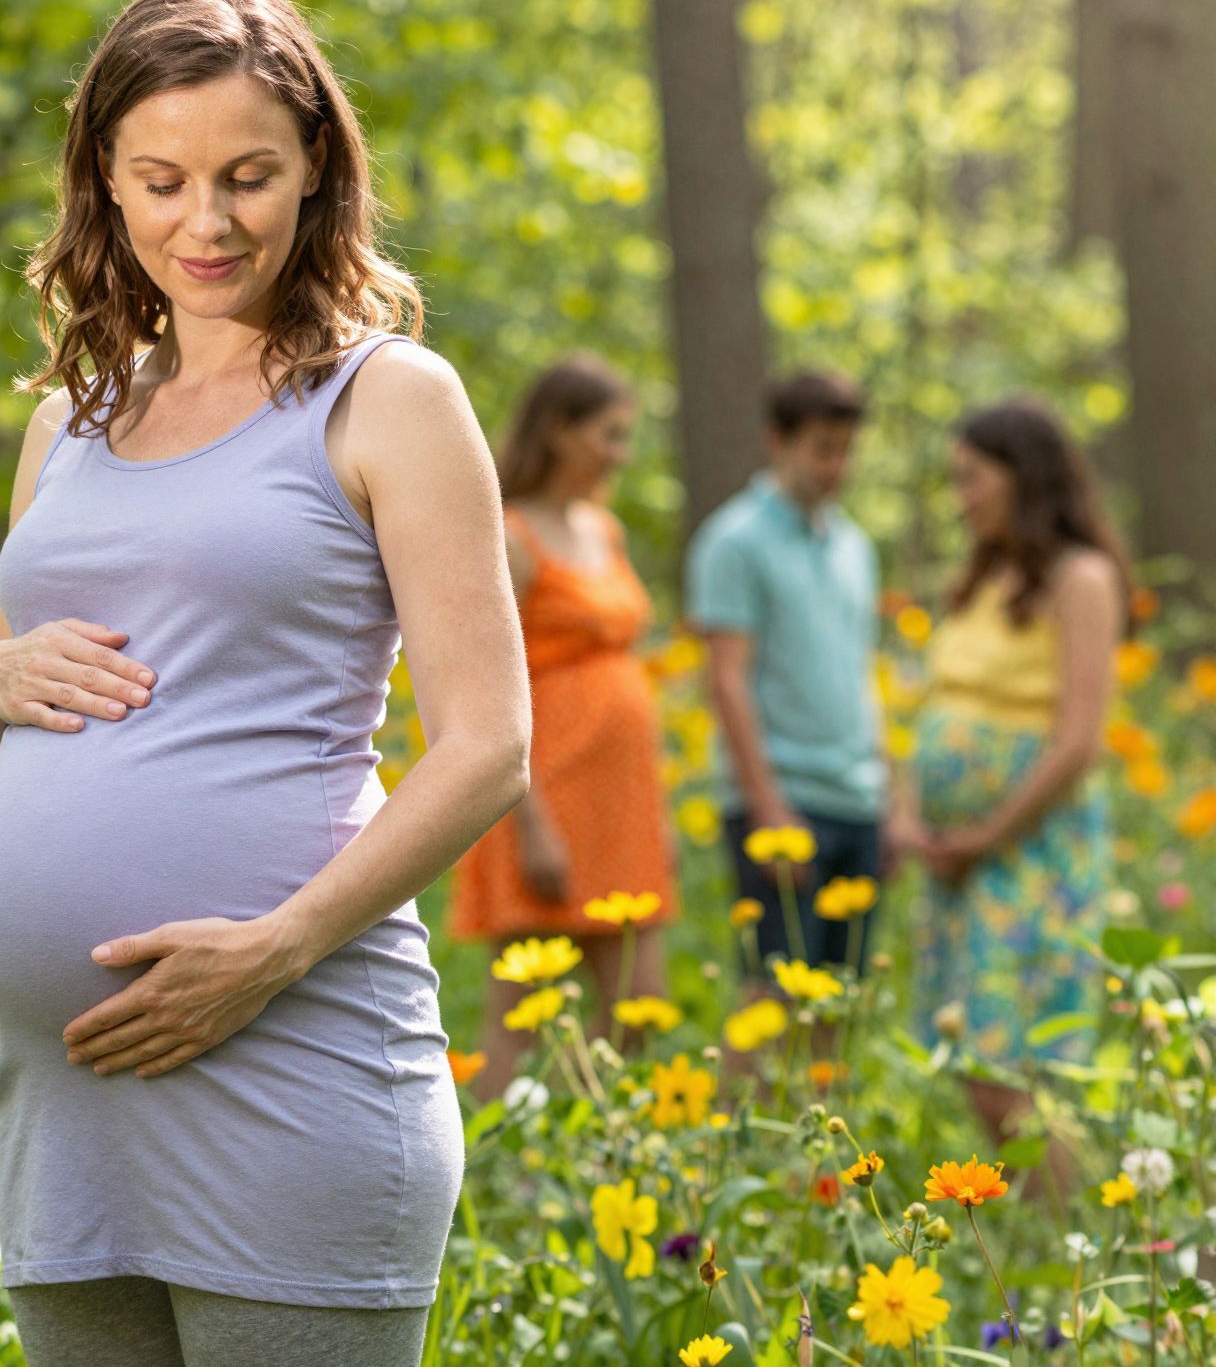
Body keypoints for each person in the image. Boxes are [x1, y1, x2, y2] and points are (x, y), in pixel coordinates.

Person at [0, 0, 530, 1367]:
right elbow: (7, 745)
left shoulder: (386, 398)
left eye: (247, 177)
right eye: (160, 179)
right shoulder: (70, 423)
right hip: (68, 1108)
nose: (204, 223)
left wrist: (274, 950)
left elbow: (490, 746)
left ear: (317, 167)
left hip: (290, 1064)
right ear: (102, 178)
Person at [895, 400, 1124, 1163]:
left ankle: (1085, 1232)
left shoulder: (1080, 577)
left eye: (972, 478)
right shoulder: (982, 577)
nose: (961, 496)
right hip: (959, 856)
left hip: (1031, 850)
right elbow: (933, 703)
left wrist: (985, 835)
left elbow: (1080, 740)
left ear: (1023, 479)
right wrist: (909, 815)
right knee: (969, 1060)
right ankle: (1040, 1240)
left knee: (1003, 1067)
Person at [448, 357, 674, 1096]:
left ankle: (597, 1146)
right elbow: (480, 680)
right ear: (558, 430)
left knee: (638, 1004)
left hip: (622, 800)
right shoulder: (510, 534)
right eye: (608, 435)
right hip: (547, 790)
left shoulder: (602, 530)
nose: (620, 453)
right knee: (524, 1008)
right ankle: (496, 1173)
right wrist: (527, 820)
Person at [686, 372, 890, 979]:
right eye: (823, 449)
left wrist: (892, 798)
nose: (838, 465)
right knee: (770, 996)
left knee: (839, 997)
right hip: (783, 804)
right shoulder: (733, 542)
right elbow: (727, 681)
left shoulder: (855, 546)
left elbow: (862, 674)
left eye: (847, 449)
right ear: (777, 440)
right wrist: (767, 806)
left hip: (857, 799)